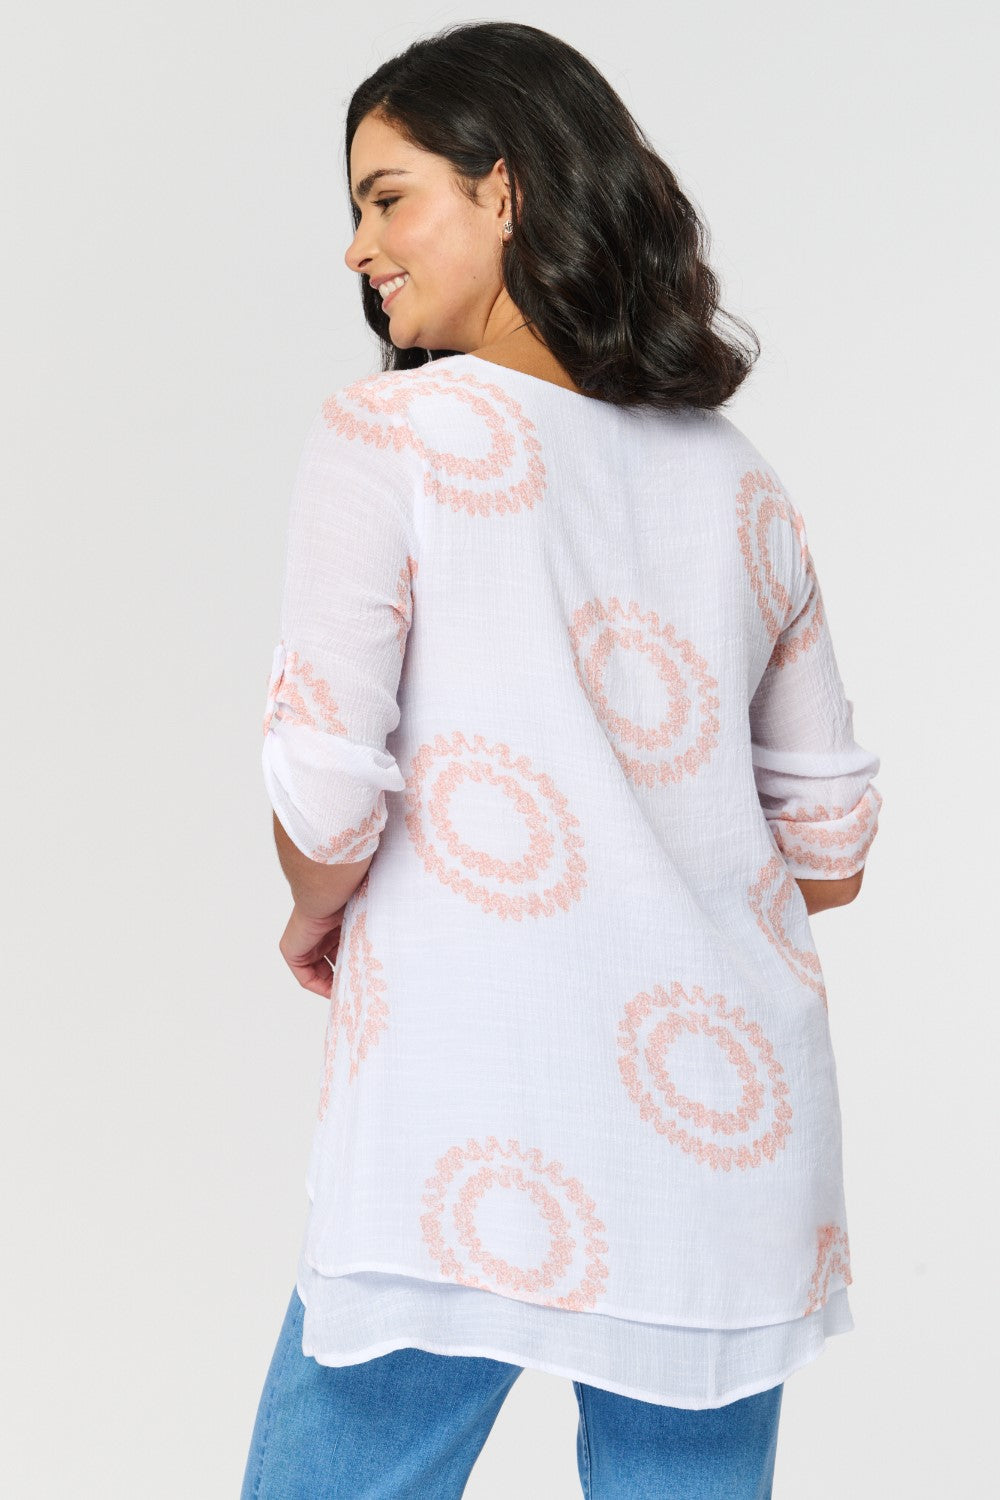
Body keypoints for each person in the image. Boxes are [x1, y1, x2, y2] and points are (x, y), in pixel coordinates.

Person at [242, 20, 883, 1499]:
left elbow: (329, 806)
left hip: (467, 1110)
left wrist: (318, 905)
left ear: (506, 188)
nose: (358, 247)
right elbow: (831, 855)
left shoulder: (390, 434)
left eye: (388, 197)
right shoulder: (741, 482)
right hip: (725, 1140)